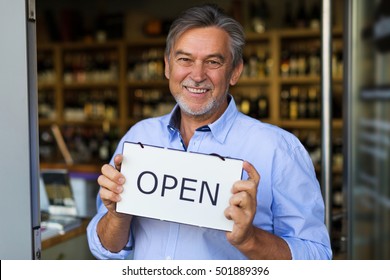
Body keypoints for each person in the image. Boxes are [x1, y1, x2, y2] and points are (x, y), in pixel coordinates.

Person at [87, 4, 332, 260]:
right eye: (185, 60)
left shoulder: (278, 150)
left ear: (235, 71)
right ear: (167, 66)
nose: (197, 75)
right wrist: (117, 217)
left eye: (213, 62)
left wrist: (250, 240)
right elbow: (107, 249)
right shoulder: (139, 137)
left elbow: (317, 257)